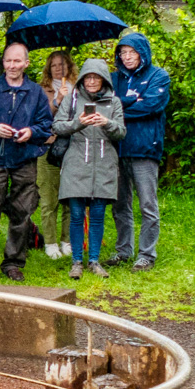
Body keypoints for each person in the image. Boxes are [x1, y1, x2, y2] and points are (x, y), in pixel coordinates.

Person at [0, 41, 55, 282]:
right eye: (8, 60)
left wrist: (31, 132)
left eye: (17, 61)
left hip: (25, 159)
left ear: (26, 63)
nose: (12, 65)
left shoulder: (36, 92)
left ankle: (13, 263)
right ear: (3, 62)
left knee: (22, 214)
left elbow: (46, 125)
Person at [54, 59, 125, 279]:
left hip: (104, 164)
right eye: (88, 77)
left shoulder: (114, 102)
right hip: (76, 163)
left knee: (97, 215)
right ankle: (76, 262)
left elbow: (121, 132)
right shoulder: (72, 99)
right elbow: (57, 126)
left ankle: (94, 261)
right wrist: (79, 123)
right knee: (76, 215)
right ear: (83, 78)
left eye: (96, 77)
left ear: (104, 79)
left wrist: (106, 122)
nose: (92, 81)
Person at [109, 32, 169, 269]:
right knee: (119, 204)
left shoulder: (159, 76)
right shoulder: (113, 79)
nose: (127, 57)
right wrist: (131, 101)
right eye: (122, 52)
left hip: (145, 148)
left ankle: (147, 254)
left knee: (147, 204)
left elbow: (151, 105)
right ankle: (123, 251)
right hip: (117, 148)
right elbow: (105, 105)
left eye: (132, 52)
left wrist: (119, 107)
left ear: (142, 52)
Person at [36, 50, 75, 259]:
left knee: (70, 196)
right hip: (49, 147)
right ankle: (50, 243)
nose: (59, 68)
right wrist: (58, 99)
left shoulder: (78, 88)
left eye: (62, 64)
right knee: (49, 198)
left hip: (72, 147)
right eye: (54, 65)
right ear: (49, 69)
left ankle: (67, 240)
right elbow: (41, 118)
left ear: (69, 66)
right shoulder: (42, 90)